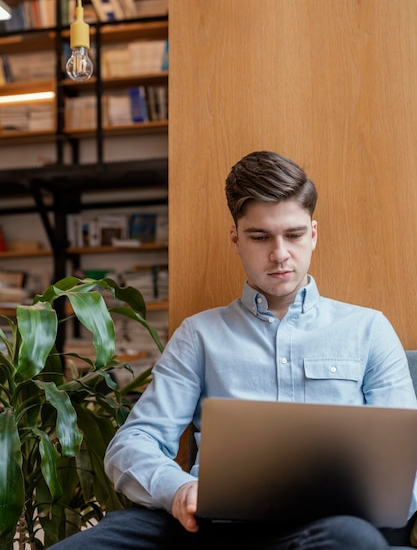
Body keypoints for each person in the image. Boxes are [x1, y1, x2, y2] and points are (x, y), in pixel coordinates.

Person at [51, 150, 417, 550]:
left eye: (293, 235)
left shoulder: (368, 330)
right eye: (260, 237)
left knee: (353, 541)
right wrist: (179, 491)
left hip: (324, 528)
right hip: (207, 524)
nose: (279, 254)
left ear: (313, 234)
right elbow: (132, 442)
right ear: (236, 239)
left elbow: (405, 460)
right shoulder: (199, 335)